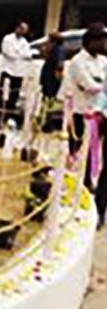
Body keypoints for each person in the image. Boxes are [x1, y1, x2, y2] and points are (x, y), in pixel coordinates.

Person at [59, 23, 107, 228]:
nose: (104, 44)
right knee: (74, 148)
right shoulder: (77, 62)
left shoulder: (103, 61)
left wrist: (100, 87)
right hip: (79, 111)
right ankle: (70, 182)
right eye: (101, 40)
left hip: (98, 112)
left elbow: (100, 86)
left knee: (92, 151)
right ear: (90, 41)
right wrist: (100, 86)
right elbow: (90, 85)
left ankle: (87, 182)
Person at [0, 21, 33, 124]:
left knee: (14, 96)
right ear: (17, 28)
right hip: (8, 70)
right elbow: (8, 53)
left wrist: (19, 54)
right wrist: (20, 54)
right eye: (22, 29)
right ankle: (0, 117)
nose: (23, 32)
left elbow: (28, 54)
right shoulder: (8, 39)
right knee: (4, 95)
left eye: (25, 30)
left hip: (19, 72)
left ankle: (8, 118)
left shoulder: (24, 42)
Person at [40, 32, 65, 100]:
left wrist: (57, 74)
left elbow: (59, 64)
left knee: (50, 94)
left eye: (49, 40)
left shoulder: (58, 49)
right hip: (49, 74)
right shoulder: (53, 49)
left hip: (51, 76)